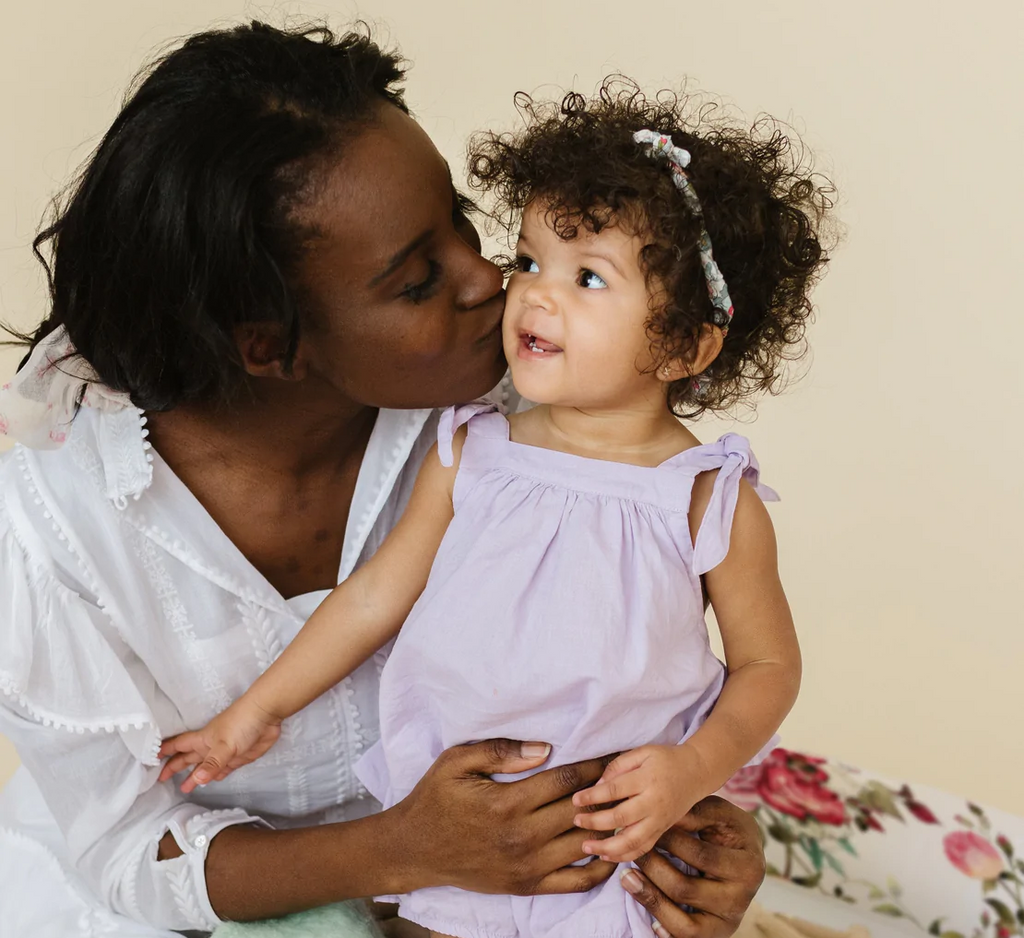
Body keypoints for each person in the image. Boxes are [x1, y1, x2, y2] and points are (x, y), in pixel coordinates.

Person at [0, 22, 769, 938]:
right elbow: (128, 850)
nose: (494, 282)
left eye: (468, 227)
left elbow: (655, 655)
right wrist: (406, 847)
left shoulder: (530, 409)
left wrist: (705, 827)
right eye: (416, 281)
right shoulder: (48, 525)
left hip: (512, 889)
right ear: (267, 345)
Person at [157, 84, 830, 938]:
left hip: (610, 849)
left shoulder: (703, 495)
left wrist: (690, 769)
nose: (535, 296)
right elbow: (372, 597)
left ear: (685, 344)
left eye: (588, 278)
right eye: (529, 260)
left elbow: (768, 667)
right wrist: (253, 713)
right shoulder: (475, 447)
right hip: (449, 831)